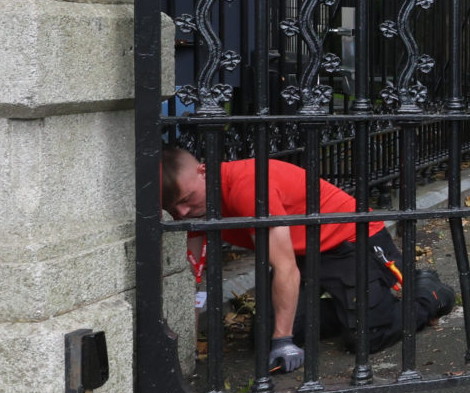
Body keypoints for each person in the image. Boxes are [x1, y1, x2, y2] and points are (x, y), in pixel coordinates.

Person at [158, 147, 453, 373]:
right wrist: (188, 350)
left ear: (203, 171)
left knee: (368, 337)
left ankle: (430, 292)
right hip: (302, 255)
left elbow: (284, 267)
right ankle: (349, 309)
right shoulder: (196, 211)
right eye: (172, 207)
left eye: (185, 199)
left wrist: (284, 342)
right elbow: (193, 280)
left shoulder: (247, 185)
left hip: (349, 241)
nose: (181, 213)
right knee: (262, 337)